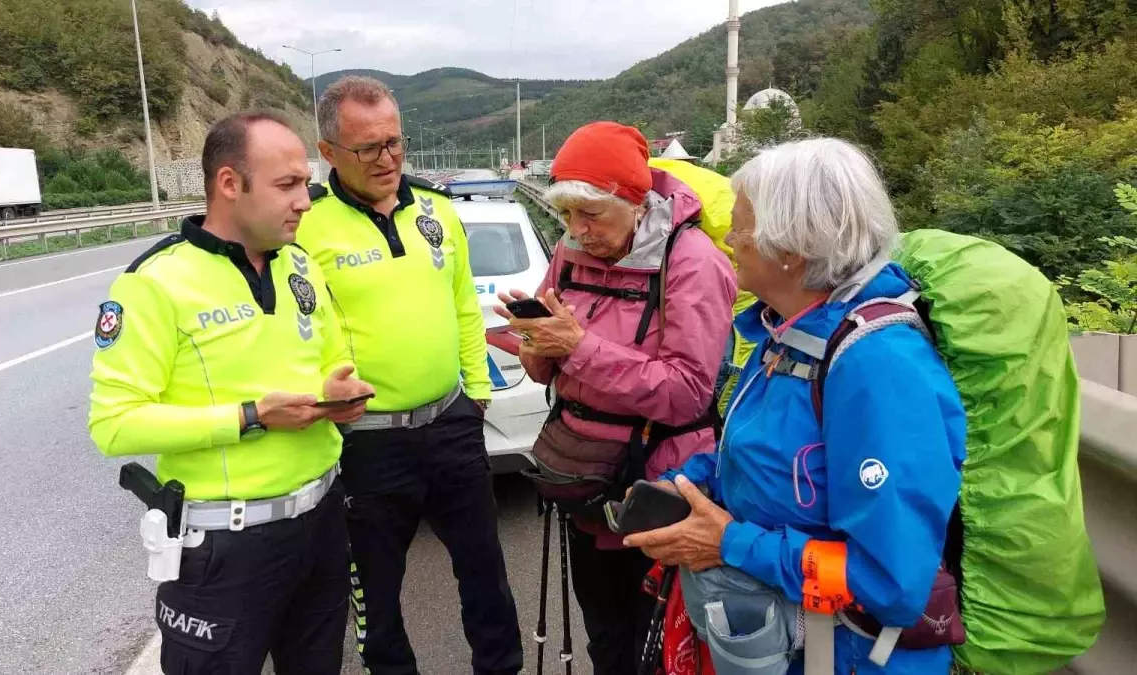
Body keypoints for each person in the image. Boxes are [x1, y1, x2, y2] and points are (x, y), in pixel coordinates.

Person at [624, 138, 967, 674]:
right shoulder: (786, 333)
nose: (729, 239)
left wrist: (732, 543)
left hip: (850, 656)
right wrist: (686, 485)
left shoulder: (877, 366)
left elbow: (891, 582)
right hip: (795, 645)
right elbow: (756, 453)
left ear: (793, 249)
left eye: (741, 227)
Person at [87, 111, 375, 673]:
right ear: (228, 184)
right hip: (224, 547)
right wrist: (249, 417)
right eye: (287, 185)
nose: (306, 202)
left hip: (320, 524)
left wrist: (336, 390)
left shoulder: (300, 267)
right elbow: (113, 424)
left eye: (306, 185)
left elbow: (332, 356)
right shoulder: (153, 284)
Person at [293, 76, 523, 675]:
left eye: (395, 142)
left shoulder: (438, 211)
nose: (388, 159)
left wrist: (476, 393)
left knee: (485, 574)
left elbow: (463, 308)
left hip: (451, 423)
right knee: (376, 590)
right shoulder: (304, 227)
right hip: (366, 442)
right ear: (329, 152)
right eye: (368, 147)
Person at [496, 121, 738, 675]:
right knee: (605, 635)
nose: (578, 232)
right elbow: (542, 370)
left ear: (634, 200)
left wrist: (577, 347)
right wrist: (536, 338)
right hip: (583, 481)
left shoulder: (693, 261)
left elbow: (686, 392)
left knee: (656, 640)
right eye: (566, 217)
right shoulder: (570, 251)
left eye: (591, 215)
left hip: (657, 485)